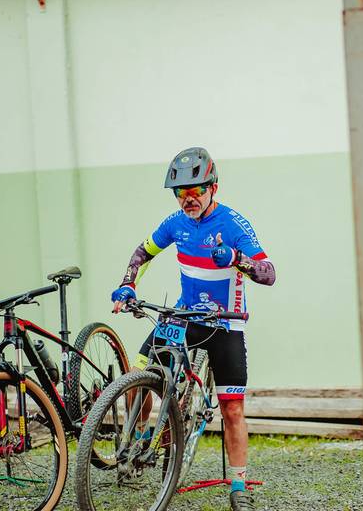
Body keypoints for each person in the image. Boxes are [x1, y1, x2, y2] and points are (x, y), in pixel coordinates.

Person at [111, 147, 275, 511]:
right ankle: (140, 438)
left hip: (225, 323)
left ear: (213, 187)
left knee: (232, 409)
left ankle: (238, 485)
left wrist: (237, 259)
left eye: (196, 190)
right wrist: (128, 284)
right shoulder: (175, 223)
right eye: (180, 193)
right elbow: (142, 253)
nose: (189, 199)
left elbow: (269, 274)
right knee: (137, 374)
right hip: (184, 317)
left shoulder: (233, 224)